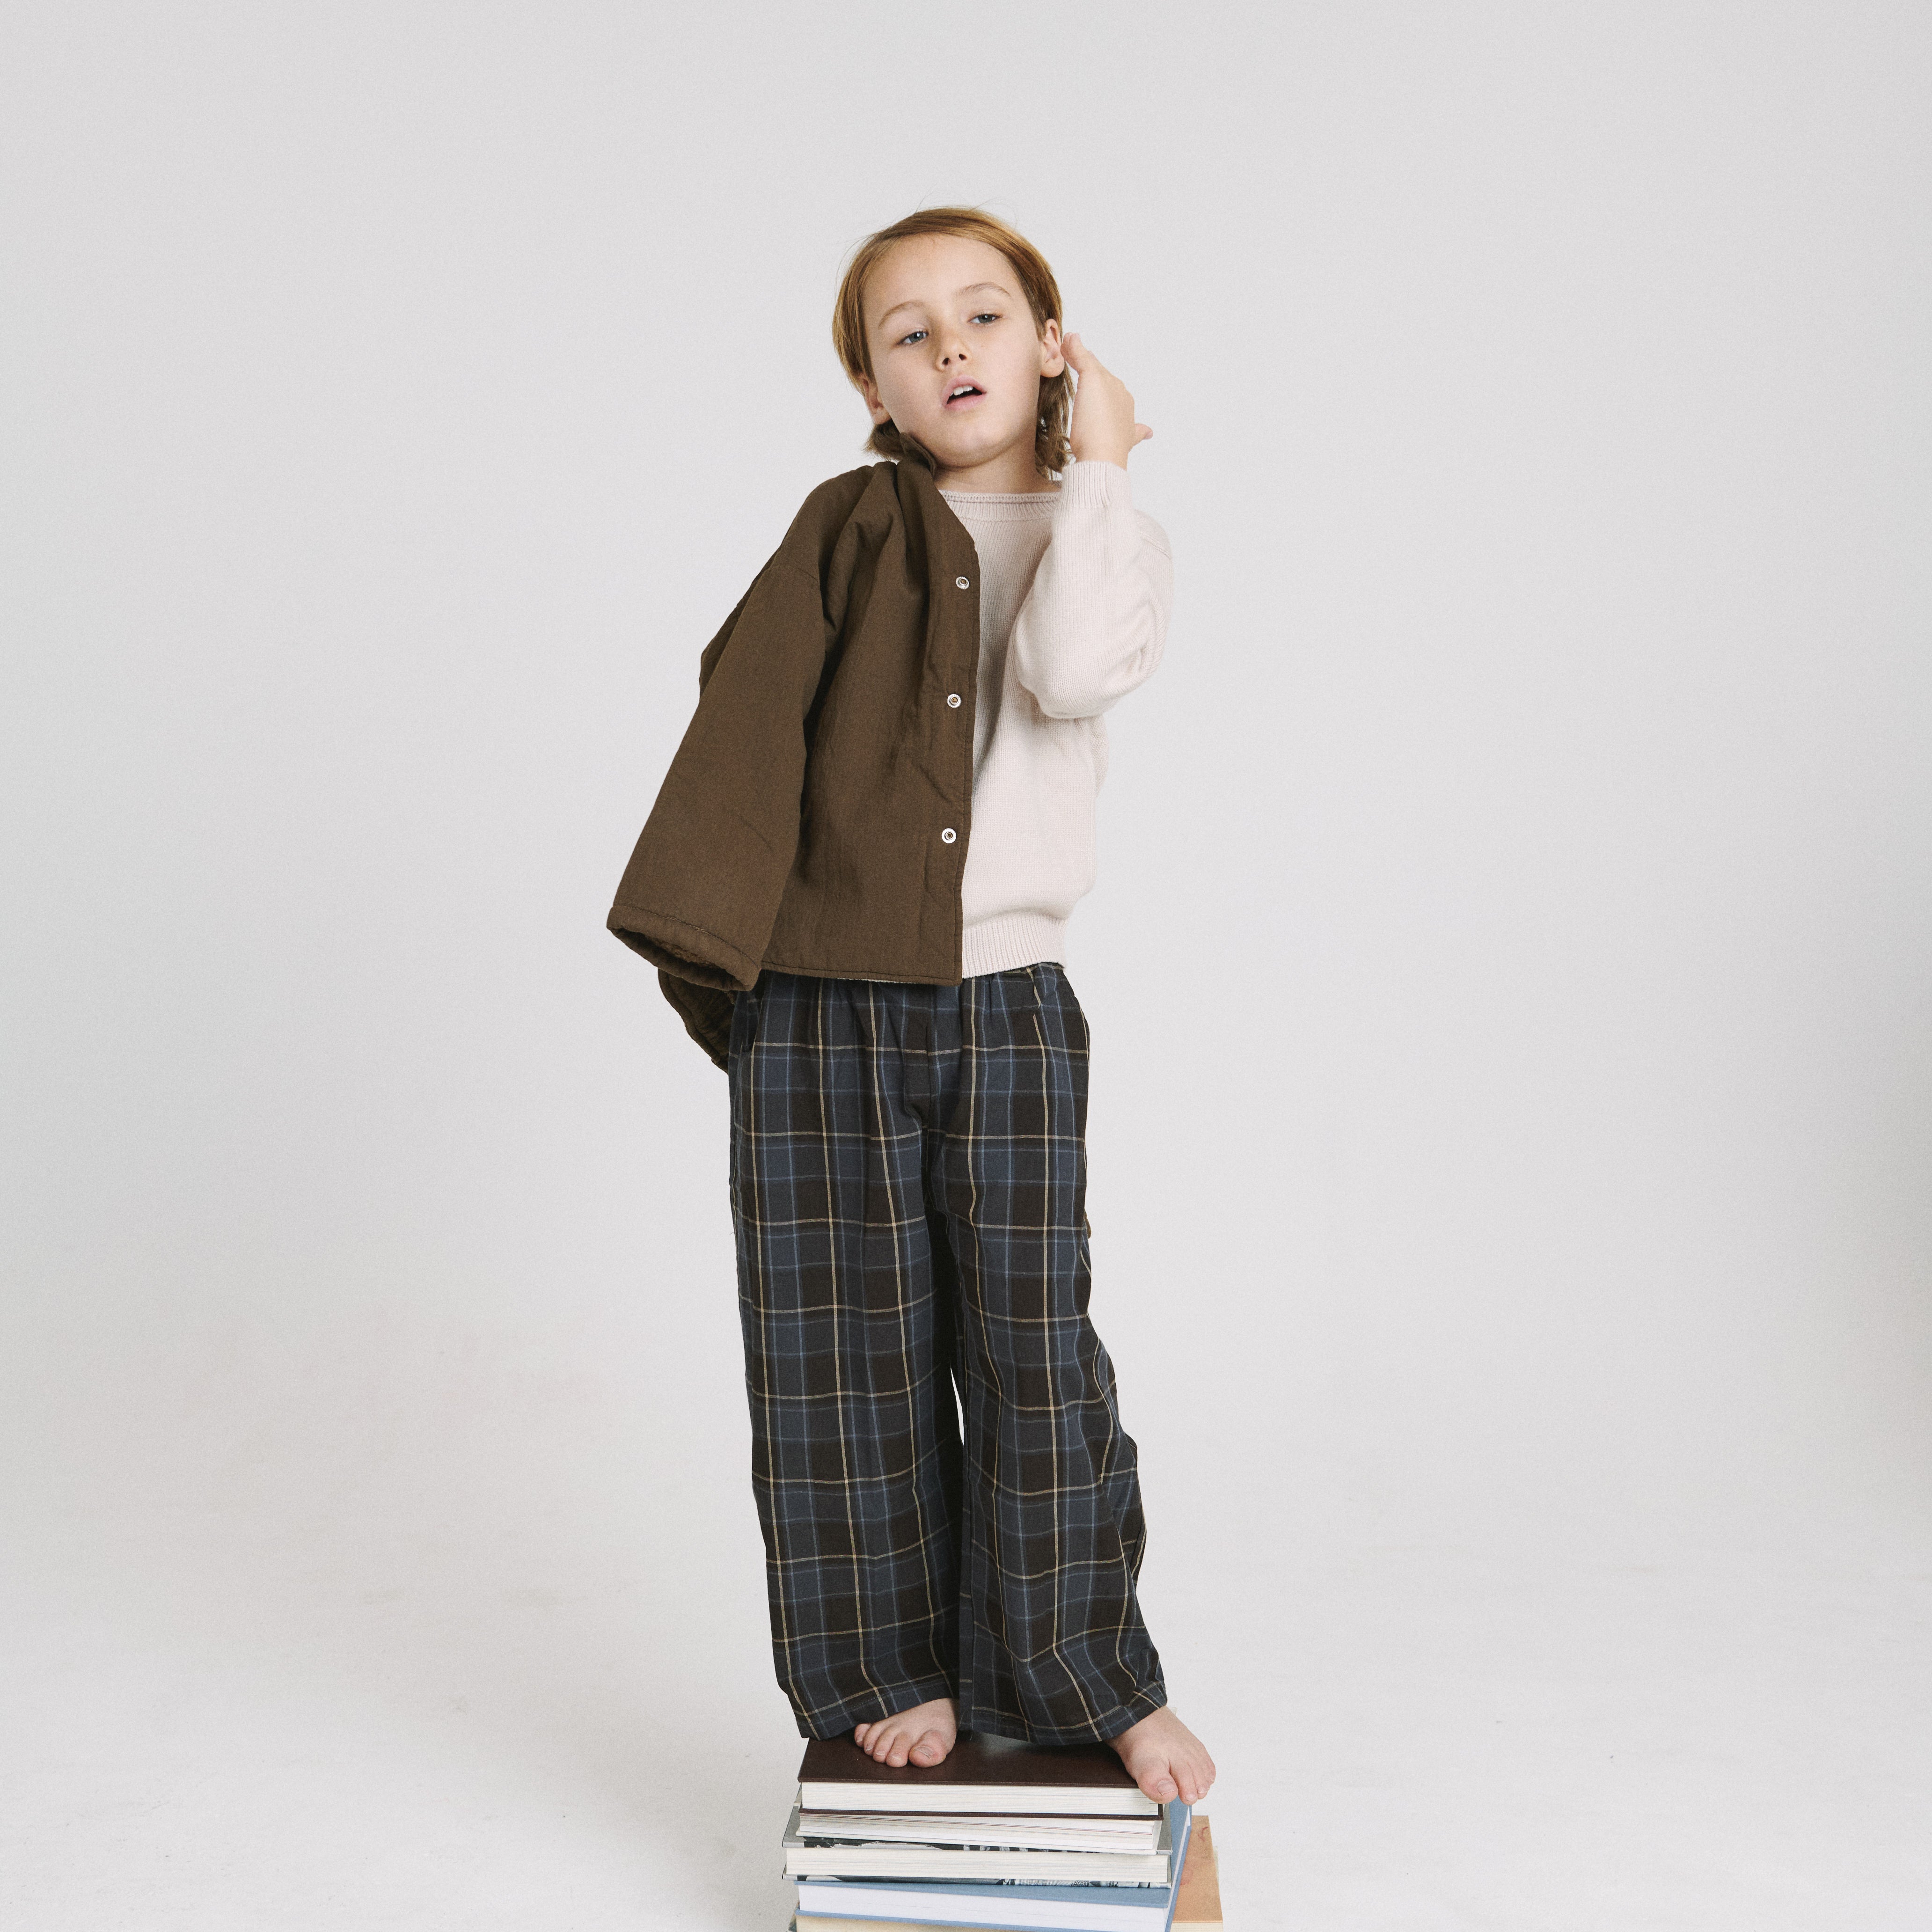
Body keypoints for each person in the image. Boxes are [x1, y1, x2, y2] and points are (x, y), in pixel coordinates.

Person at [606, 207, 1214, 1808]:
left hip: (1007, 1004)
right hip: (825, 998)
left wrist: (1102, 463)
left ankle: (1086, 1669)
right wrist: (731, 968)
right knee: (839, 1357)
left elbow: (1072, 669)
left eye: (988, 314)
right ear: (872, 389)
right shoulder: (846, 527)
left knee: (1033, 1351)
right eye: (908, 331)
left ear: (1053, 345)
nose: (952, 347)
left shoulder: (1111, 533)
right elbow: (744, 713)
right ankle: (889, 1668)